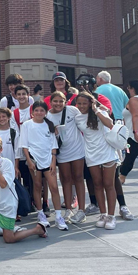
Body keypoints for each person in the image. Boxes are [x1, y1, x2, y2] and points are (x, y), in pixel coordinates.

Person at [74, 93, 119, 230]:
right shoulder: (77, 118)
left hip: (107, 152)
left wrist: (96, 109)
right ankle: (103, 214)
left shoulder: (101, 113)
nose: (82, 106)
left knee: (108, 184)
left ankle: (111, 216)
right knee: (97, 184)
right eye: (79, 103)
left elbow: (110, 124)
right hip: (91, 154)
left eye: (84, 103)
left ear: (90, 103)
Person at [19, 101, 63, 230]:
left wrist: (53, 161)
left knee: (54, 187)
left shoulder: (49, 125)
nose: (39, 113)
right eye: (36, 110)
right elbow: (24, 145)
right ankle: (40, 213)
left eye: (42, 110)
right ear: (32, 112)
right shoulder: (27, 125)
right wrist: (29, 160)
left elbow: (54, 145)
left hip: (48, 159)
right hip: (34, 159)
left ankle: (59, 216)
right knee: (37, 186)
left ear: (45, 112)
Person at [47, 92, 87, 224]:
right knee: (66, 180)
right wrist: (54, 132)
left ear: (65, 102)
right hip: (62, 152)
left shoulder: (73, 110)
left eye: (61, 101)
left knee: (79, 178)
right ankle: (68, 209)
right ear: (51, 102)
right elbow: (47, 135)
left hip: (77, 149)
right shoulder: (48, 115)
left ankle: (81, 210)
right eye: (55, 101)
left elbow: (84, 121)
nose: (58, 104)